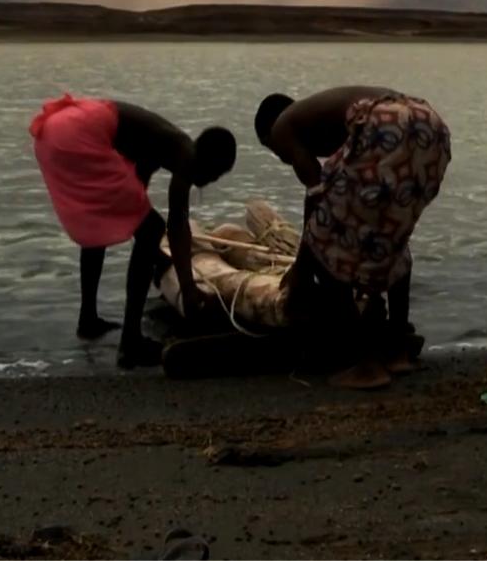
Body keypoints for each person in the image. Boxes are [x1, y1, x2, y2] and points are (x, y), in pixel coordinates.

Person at [254, 86, 451, 388]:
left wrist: (301, 271)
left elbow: (317, 199)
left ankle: (366, 364)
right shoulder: (325, 123)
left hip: (387, 125)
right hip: (429, 125)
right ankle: (397, 349)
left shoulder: (283, 128)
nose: (283, 158)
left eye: (275, 152)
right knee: (390, 234)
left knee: (326, 243)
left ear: (269, 136)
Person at [29, 93, 236, 368]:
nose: (208, 183)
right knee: (153, 229)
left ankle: (88, 321)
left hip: (55, 131)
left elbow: (133, 205)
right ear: (209, 160)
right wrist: (188, 288)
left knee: (99, 222)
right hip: (79, 134)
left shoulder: (158, 145)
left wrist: (158, 259)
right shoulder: (185, 154)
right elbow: (176, 225)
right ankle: (131, 342)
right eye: (215, 175)